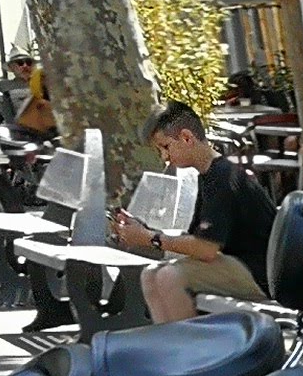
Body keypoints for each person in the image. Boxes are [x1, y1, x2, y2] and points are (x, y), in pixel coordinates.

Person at [115, 101, 276, 322]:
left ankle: (189, 342)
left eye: (165, 147)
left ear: (186, 138)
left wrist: (149, 238)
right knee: (150, 274)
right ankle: (167, 340)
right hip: (234, 264)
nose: (164, 157)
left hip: (259, 273)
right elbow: (195, 239)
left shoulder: (223, 177)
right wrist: (144, 230)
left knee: (169, 277)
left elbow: (205, 249)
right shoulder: (208, 176)